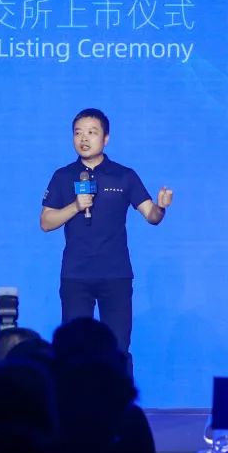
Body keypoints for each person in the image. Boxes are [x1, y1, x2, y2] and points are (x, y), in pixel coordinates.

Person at [40, 108, 173, 363]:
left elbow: (151, 216)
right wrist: (76, 206)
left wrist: (162, 207)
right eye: (78, 133)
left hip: (116, 274)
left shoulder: (124, 175)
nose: (84, 138)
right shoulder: (63, 176)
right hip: (76, 275)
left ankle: (118, 390)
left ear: (106, 138)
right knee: (73, 351)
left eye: (92, 132)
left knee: (118, 349)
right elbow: (46, 222)